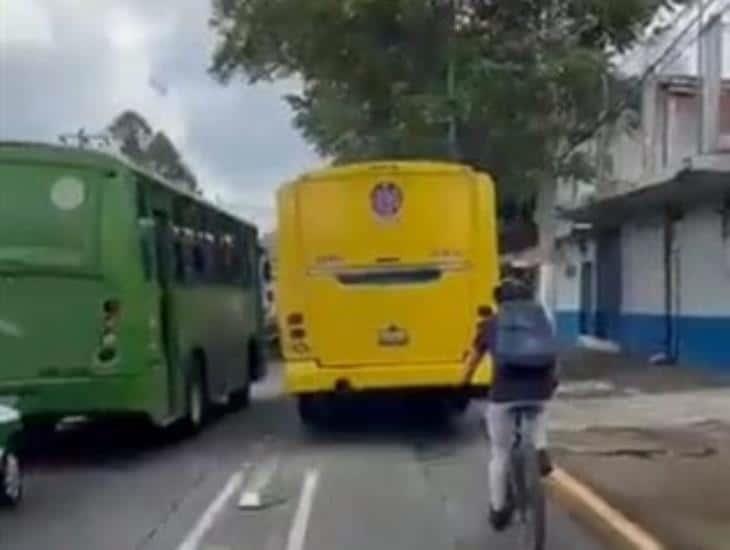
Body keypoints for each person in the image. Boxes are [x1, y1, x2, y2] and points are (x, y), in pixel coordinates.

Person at [462, 279, 558, 531]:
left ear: (498, 302)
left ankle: (498, 509)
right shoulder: (540, 321)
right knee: (540, 411)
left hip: (504, 395)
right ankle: (540, 447)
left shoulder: (490, 325)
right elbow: (552, 353)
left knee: (500, 453)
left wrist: (463, 381)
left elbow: (473, 359)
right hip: (540, 390)